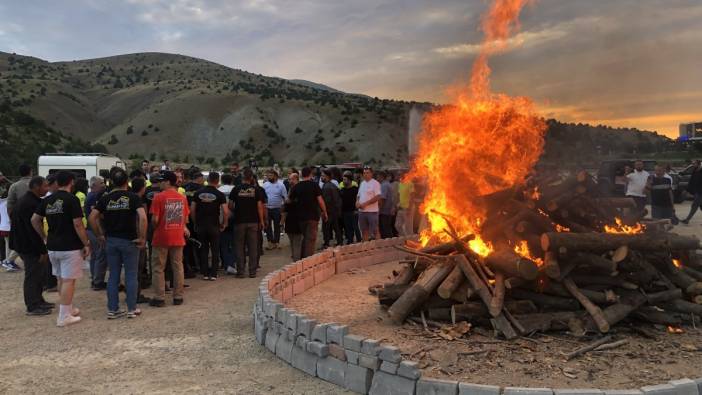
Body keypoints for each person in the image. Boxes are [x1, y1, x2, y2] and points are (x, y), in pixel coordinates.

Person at [31, 171, 90, 327]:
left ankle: (68, 308)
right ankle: (64, 315)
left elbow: (35, 219)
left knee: (61, 279)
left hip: (53, 245)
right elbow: (78, 224)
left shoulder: (48, 199)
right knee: (69, 280)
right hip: (69, 246)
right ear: (71, 182)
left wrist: (44, 237)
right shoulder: (72, 199)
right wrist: (86, 243)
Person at [89, 167, 147, 319]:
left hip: (111, 241)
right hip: (129, 241)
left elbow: (92, 218)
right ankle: (131, 308)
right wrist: (142, 237)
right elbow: (143, 217)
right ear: (127, 182)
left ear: (112, 182)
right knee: (131, 274)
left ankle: (113, 309)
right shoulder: (133, 197)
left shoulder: (105, 199)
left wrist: (99, 235)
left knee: (113, 274)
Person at [10, 176, 52, 315]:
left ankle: (38, 300)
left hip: (24, 243)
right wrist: (41, 249)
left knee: (38, 273)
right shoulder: (30, 204)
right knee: (32, 274)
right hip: (28, 245)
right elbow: (32, 230)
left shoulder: (29, 201)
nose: (47, 189)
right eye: (45, 186)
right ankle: (32, 305)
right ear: (36, 186)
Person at [149, 171, 189, 307]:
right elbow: (185, 218)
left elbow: (154, 219)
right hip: (177, 236)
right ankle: (178, 297)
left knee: (158, 267)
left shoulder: (158, 197)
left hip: (161, 236)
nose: (159, 183)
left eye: (161, 181)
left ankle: (159, 298)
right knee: (178, 267)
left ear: (167, 182)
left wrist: (155, 227)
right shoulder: (182, 198)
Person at [191, 172, 228, 280]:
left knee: (203, 249)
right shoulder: (219, 194)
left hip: (201, 225)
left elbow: (192, 210)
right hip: (214, 225)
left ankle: (205, 273)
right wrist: (224, 223)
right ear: (217, 181)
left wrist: (195, 222)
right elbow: (225, 211)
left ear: (208, 179)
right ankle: (214, 273)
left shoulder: (198, 193)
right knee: (215, 249)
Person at [229, 168, 265, 278]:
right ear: (251, 178)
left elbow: (230, 205)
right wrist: (262, 221)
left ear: (242, 177)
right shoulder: (256, 190)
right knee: (253, 247)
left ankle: (241, 271)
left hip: (239, 221)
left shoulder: (236, 189)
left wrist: (237, 209)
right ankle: (252, 271)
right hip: (253, 222)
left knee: (239, 247)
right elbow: (260, 206)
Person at [288, 167, 327, 258]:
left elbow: (289, 200)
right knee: (310, 239)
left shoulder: (297, 186)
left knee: (305, 237)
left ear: (301, 175)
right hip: (312, 216)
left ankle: (302, 258)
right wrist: (324, 211)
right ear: (310, 174)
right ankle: (308, 260)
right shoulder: (314, 185)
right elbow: (320, 200)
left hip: (300, 217)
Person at [85, 176, 108, 290]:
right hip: (95, 230)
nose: (104, 185)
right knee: (101, 254)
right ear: (94, 185)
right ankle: (98, 281)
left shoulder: (89, 195)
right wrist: (100, 233)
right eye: (101, 183)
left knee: (94, 255)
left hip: (90, 229)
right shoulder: (94, 197)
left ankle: (94, 279)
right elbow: (97, 216)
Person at [263, 170, 287, 250]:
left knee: (277, 226)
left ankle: (277, 242)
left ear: (276, 176)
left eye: (271, 175)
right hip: (267, 209)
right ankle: (270, 242)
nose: (269, 177)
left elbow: (284, 198)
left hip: (277, 209)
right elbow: (262, 197)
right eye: (268, 175)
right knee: (267, 226)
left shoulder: (281, 185)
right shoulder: (265, 185)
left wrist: (283, 209)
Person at [218, 174, 237, 274]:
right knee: (234, 242)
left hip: (221, 218)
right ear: (232, 180)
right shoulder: (235, 189)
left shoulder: (218, 190)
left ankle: (226, 264)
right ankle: (232, 263)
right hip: (234, 218)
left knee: (223, 244)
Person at [357, 166, 382, 241]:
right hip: (362, 212)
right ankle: (366, 247)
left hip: (372, 212)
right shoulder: (362, 183)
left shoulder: (375, 183)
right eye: (364, 173)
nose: (365, 174)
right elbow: (358, 195)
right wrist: (357, 202)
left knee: (375, 231)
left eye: (367, 173)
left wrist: (365, 204)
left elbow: (378, 196)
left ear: (371, 174)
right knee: (364, 230)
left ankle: (378, 246)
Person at [282, 172, 303, 260]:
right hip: (291, 219)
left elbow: (293, 202)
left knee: (296, 242)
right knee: (293, 241)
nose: (289, 181)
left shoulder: (299, 189)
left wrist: (287, 201)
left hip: (297, 218)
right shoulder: (291, 188)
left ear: (295, 179)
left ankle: (296, 260)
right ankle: (295, 257)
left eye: (290, 179)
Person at [321, 169, 342, 248]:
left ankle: (326, 244)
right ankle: (339, 242)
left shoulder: (326, 187)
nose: (321, 177)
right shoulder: (333, 185)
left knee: (326, 228)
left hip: (329, 211)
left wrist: (324, 211)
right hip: (335, 211)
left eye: (322, 176)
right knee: (336, 228)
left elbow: (327, 201)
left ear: (327, 177)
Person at [340, 172, 361, 244]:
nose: (343, 181)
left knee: (356, 227)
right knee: (348, 228)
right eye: (343, 179)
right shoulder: (342, 190)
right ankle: (350, 241)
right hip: (345, 212)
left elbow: (359, 199)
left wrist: (357, 209)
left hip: (354, 211)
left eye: (345, 179)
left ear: (350, 180)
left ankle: (359, 241)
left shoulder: (355, 189)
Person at [681, 160, 702, 224]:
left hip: (700, 192)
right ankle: (687, 220)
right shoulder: (695, 171)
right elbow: (691, 182)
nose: (693, 165)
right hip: (697, 191)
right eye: (692, 164)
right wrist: (687, 190)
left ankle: (687, 220)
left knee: (694, 205)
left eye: (694, 163)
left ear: (698, 164)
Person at [378, 171, 395, 239]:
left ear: (381, 177)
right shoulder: (388, 184)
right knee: (387, 228)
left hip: (384, 211)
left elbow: (382, 199)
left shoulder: (384, 185)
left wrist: (379, 210)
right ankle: (390, 243)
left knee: (384, 229)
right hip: (388, 210)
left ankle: (386, 244)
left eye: (378, 177)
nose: (377, 178)